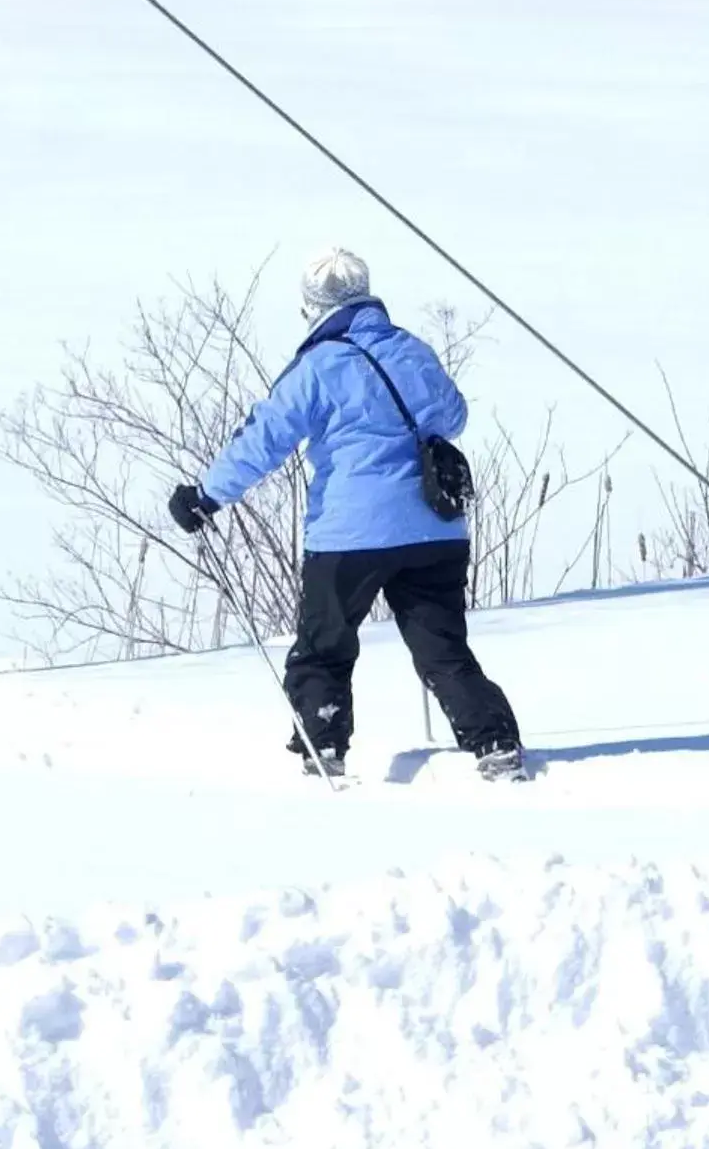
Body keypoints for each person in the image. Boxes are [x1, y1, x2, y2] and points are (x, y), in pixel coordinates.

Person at [168, 247, 526, 782]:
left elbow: (264, 439)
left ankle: (325, 746)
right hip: (434, 528)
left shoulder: (317, 367)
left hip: (349, 535)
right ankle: (494, 742)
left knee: (324, 647)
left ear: (312, 306)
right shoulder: (413, 349)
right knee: (442, 649)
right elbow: (453, 417)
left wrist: (207, 496)